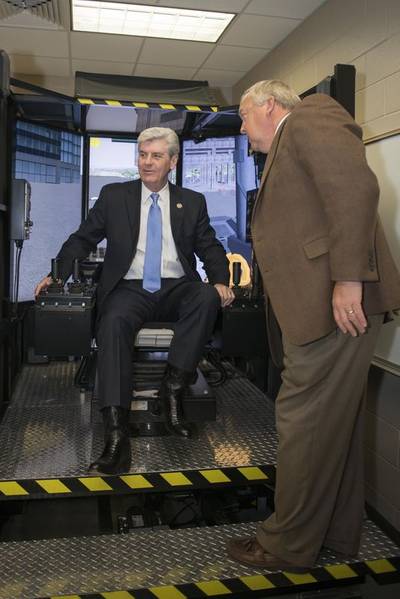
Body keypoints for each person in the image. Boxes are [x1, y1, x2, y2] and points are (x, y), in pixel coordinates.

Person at [227, 80, 400, 572]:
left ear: (270, 106)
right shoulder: (287, 142)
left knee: (301, 421)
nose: (242, 129)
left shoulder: (310, 115)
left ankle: (285, 545)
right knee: (333, 429)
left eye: (244, 116)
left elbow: (355, 187)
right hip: (324, 307)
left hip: (337, 304)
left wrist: (349, 278)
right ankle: (336, 536)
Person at [35, 127, 234, 475]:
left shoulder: (192, 201)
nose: (147, 162)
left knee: (205, 296)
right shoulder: (114, 196)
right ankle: (116, 435)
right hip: (131, 288)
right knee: (112, 322)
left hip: (176, 286)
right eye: (142, 155)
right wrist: (57, 274)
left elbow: (210, 247)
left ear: (172, 161)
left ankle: (172, 391)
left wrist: (220, 281)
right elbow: (83, 238)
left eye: (156, 155)